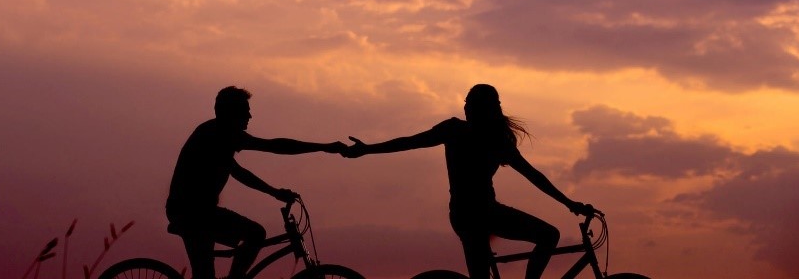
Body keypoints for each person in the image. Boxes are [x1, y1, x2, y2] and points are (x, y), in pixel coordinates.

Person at [342, 84, 592, 279]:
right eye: (466, 102)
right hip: (479, 214)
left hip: (470, 214)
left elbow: (534, 176)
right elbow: (408, 142)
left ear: (483, 109)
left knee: (542, 239)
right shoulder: (467, 133)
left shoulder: (483, 137)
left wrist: (569, 202)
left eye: (471, 103)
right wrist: (368, 149)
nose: (465, 106)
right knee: (548, 236)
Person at [166, 86, 347, 279]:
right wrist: (324, 147)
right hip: (192, 213)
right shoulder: (216, 134)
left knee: (209, 269)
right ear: (231, 113)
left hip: (201, 212)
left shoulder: (218, 134)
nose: (250, 116)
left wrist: (274, 192)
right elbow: (274, 147)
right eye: (245, 110)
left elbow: (239, 171)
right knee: (254, 234)